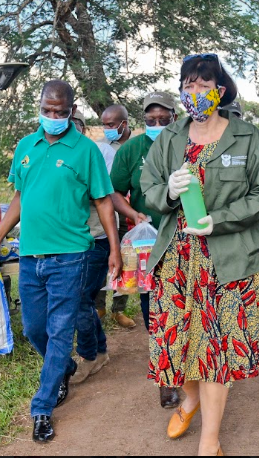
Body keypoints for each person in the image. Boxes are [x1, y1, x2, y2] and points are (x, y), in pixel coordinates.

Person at [141, 53, 259, 456]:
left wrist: (219, 220)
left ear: (219, 91)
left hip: (227, 258)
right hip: (177, 260)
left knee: (215, 349)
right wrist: (167, 190)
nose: (194, 93)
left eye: (203, 86)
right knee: (174, 343)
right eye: (187, 85)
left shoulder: (247, 137)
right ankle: (190, 398)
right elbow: (150, 185)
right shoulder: (169, 138)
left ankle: (209, 441)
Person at [0, 80, 122, 443]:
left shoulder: (85, 150)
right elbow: (20, 198)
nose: (53, 116)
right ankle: (65, 367)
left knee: (59, 331)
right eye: (47, 110)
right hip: (31, 256)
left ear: (72, 111)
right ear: (39, 106)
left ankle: (42, 407)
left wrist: (116, 250)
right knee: (33, 329)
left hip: (71, 256)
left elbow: (104, 201)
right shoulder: (26, 146)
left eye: (60, 111)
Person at [105, 91, 182, 408]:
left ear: (175, 119)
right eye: (151, 120)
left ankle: (189, 367)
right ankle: (167, 377)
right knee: (155, 311)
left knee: (185, 304)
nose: (157, 124)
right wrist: (132, 214)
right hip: (148, 243)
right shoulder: (132, 150)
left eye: (164, 120)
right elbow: (114, 192)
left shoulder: (188, 145)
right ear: (142, 121)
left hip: (185, 238)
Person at [72, 135, 119, 384]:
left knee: (80, 299)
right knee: (82, 300)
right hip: (68, 243)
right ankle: (99, 351)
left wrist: (115, 249)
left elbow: (104, 196)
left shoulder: (97, 153)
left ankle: (90, 355)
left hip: (95, 239)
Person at [95, 104, 138, 329]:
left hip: (131, 213)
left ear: (124, 123)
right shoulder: (100, 147)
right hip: (107, 212)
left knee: (128, 261)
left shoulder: (138, 145)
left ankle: (119, 309)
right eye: (104, 124)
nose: (107, 129)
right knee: (105, 260)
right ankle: (99, 306)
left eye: (111, 125)